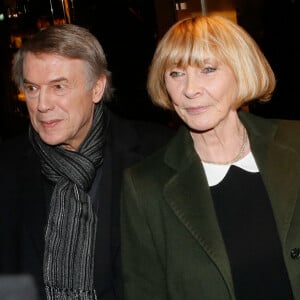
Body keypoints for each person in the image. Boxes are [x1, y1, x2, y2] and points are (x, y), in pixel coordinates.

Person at [120, 15, 300, 300]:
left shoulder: (295, 143)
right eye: (176, 73)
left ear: (241, 71)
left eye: (207, 69)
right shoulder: (145, 186)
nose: (190, 89)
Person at [0, 24, 173, 300]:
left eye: (58, 86)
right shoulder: (7, 165)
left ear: (97, 88)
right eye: (32, 88)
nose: (41, 104)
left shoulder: (157, 153)